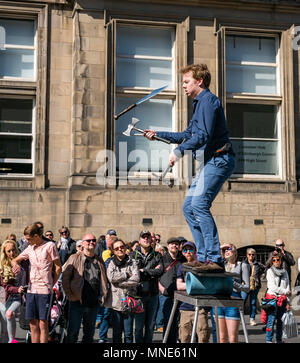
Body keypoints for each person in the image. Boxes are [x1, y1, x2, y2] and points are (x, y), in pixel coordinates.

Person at [144, 64, 235, 272]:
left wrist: (178, 152)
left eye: (187, 82)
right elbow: (187, 135)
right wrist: (157, 134)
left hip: (220, 159)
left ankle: (214, 258)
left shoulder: (208, 101)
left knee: (200, 204)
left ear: (199, 81)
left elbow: (202, 136)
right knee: (189, 207)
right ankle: (203, 256)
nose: (183, 86)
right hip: (211, 161)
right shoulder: (200, 104)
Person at [11, 223, 62, 343]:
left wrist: (51, 283)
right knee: (33, 324)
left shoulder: (50, 246)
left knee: (43, 323)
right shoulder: (30, 248)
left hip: (45, 291)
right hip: (31, 290)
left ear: (36, 236)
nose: (26, 241)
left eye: (28, 239)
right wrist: (16, 265)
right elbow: (14, 260)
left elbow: (58, 267)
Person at [62, 233, 111, 343]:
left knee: (89, 335)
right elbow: (65, 279)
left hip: (93, 302)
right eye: (88, 240)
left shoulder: (99, 260)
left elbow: (103, 280)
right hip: (77, 302)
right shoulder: (74, 258)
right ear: (83, 243)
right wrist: (70, 296)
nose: (91, 242)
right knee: (72, 334)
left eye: (93, 240)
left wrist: (103, 296)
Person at [211, 243, 250, 343]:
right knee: (222, 338)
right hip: (219, 301)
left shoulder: (242, 265)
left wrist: (233, 283)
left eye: (229, 249)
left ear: (235, 253)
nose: (227, 252)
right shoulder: (220, 265)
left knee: (232, 338)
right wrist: (220, 248)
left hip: (233, 301)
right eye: (224, 250)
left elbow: (247, 288)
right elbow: (209, 260)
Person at [130, 230, 163, 343]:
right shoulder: (132, 255)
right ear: (139, 240)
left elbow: (160, 271)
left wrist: (144, 270)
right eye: (143, 237)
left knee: (150, 326)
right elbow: (133, 273)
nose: (146, 239)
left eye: (148, 237)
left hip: (153, 295)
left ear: (151, 239)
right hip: (138, 295)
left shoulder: (157, 254)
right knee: (138, 327)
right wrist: (151, 271)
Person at [176, 241, 210, 343]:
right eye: (185, 250)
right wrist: (196, 286)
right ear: (182, 253)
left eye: (190, 249)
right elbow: (178, 285)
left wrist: (189, 286)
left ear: (195, 251)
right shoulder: (182, 267)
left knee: (203, 337)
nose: (188, 252)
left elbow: (206, 286)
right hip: (185, 307)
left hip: (200, 307)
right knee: (184, 337)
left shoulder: (201, 266)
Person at [106, 239, 140, 343]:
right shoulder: (111, 263)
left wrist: (120, 284)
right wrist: (126, 275)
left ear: (125, 248)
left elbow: (136, 279)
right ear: (114, 251)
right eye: (116, 248)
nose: (120, 249)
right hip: (115, 302)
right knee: (117, 333)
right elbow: (111, 278)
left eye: (121, 247)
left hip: (129, 301)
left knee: (129, 334)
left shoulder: (132, 262)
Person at [158, 237, 185, 343]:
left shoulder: (182, 259)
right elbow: (156, 274)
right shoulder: (162, 258)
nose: (174, 246)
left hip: (180, 294)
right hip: (166, 294)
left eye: (176, 244)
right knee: (168, 321)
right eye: (172, 244)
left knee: (179, 321)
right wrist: (161, 288)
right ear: (168, 246)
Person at [0, 240, 27, 343]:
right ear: (5, 252)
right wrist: (16, 289)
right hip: (5, 297)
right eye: (9, 251)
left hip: (19, 297)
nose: (12, 253)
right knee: (4, 326)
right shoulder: (2, 266)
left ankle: (12, 341)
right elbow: (5, 286)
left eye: (13, 250)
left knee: (9, 314)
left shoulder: (22, 262)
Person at [264, 251, 290, 343]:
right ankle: (268, 340)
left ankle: (278, 340)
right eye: (274, 260)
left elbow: (288, 286)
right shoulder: (270, 271)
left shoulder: (285, 272)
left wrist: (287, 301)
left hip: (282, 300)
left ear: (281, 261)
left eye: (278, 260)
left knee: (280, 322)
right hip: (273, 299)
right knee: (271, 321)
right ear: (272, 261)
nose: (276, 262)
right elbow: (272, 287)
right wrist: (285, 291)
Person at [240, 248, 265, 326]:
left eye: (253, 254)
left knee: (253, 302)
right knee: (242, 301)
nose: (251, 256)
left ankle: (252, 319)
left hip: (255, 286)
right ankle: (239, 318)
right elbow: (239, 272)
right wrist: (241, 281)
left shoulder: (258, 264)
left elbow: (266, 268)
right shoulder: (242, 263)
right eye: (249, 254)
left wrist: (262, 275)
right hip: (245, 285)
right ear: (247, 255)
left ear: (255, 255)